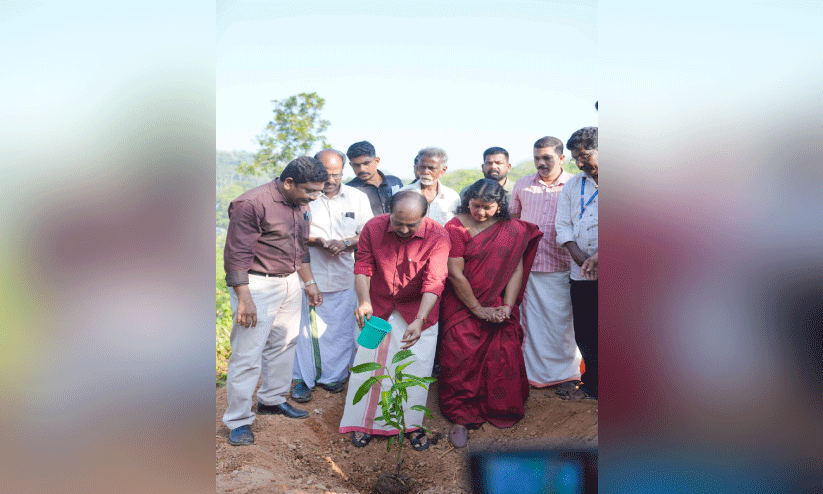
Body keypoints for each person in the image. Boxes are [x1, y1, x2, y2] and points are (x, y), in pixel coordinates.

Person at [222, 156, 329, 446]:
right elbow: (236, 255)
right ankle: (239, 420)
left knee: (284, 344)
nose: (314, 197)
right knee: (247, 353)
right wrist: (244, 298)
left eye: (318, 191)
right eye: (310, 191)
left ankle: (271, 399)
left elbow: (300, 247)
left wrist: (308, 283)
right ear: (289, 182)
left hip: (290, 281)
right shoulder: (252, 203)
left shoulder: (300, 204)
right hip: (256, 284)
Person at [338, 191, 450, 451]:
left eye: (412, 225)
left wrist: (420, 320)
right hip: (377, 308)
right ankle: (363, 423)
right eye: (397, 222)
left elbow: (435, 281)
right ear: (388, 212)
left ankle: (409, 425)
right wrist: (364, 301)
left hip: (419, 311)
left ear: (425, 216)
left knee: (415, 369)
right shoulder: (373, 228)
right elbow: (363, 267)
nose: (403, 229)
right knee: (367, 364)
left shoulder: (438, 235)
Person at [438, 179, 543, 448]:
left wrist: (507, 307)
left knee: (504, 352)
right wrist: (477, 309)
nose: (480, 213)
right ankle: (460, 416)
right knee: (459, 356)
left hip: (497, 302)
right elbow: (454, 273)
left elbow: (515, 269)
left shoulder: (513, 229)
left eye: (488, 207)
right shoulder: (456, 227)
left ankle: (499, 409)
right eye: (475, 206)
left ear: (501, 205)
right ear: (467, 202)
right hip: (462, 305)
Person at [291, 149, 374, 403]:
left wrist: (347, 242)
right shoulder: (303, 197)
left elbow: (369, 234)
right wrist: (318, 241)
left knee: (338, 332)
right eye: (325, 174)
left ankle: (334, 377)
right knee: (304, 335)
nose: (330, 180)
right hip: (308, 275)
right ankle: (301, 380)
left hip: (344, 276)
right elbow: (291, 235)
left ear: (343, 172)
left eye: (336, 175)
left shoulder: (357, 198)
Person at [509, 136, 584, 398]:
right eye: (537, 158)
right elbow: (512, 221)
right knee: (532, 324)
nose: (541, 163)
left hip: (565, 264)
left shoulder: (575, 184)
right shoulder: (523, 184)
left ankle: (567, 375)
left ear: (562, 158)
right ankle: (533, 375)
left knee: (563, 324)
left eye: (547, 158)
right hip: (530, 265)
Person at [555, 126, 599, 399]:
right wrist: (580, 257)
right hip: (582, 272)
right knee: (586, 330)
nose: (580, 162)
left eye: (585, 155)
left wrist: (599, 258)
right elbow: (563, 224)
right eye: (575, 158)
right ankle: (594, 385)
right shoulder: (573, 184)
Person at [400, 147, 461, 225]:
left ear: (443, 170)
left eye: (431, 168)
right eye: (422, 167)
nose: (426, 172)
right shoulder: (403, 193)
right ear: (418, 167)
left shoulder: (452, 197)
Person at [345, 140, 404, 217]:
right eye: (356, 165)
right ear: (351, 165)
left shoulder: (395, 182)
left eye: (366, 163)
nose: (362, 169)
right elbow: (349, 220)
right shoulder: (348, 190)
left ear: (377, 161)